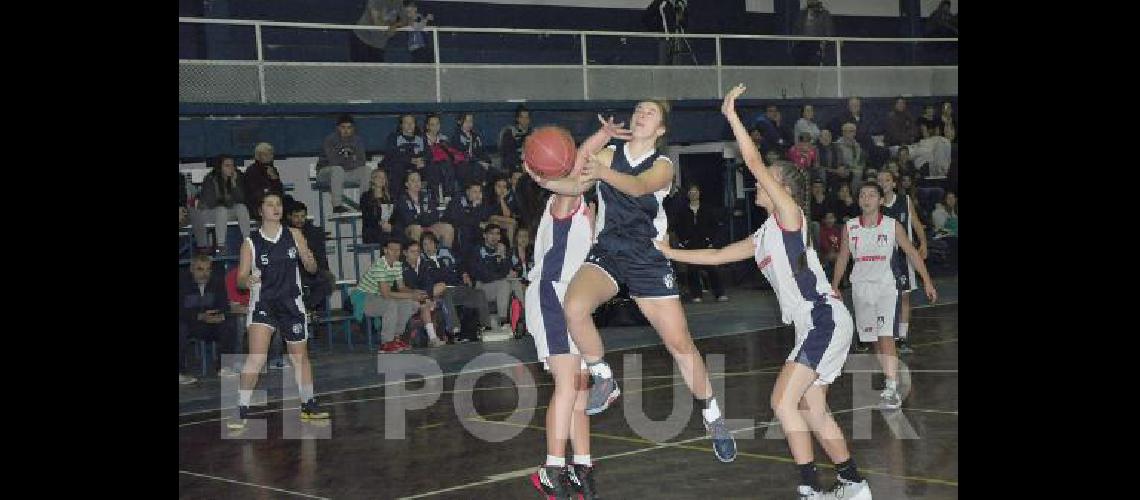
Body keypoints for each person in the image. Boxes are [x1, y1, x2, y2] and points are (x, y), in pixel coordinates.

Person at [652, 84, 870, 498]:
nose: (761, 181)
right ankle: (850, 484)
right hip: (815, 323)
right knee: (810, 406)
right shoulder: (764, 234)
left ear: (784, 187)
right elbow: (716, 255)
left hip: (822, 317)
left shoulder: (790, 215)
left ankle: (817, 488)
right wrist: (668, 253)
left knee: (783, 402)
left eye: (770, 177)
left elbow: (751, 161)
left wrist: (731, 116)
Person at [528, 106, 738, 463]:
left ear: (660, 129)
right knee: (574, 308)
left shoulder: (663, 165)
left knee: (679, 343)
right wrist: (544, 180)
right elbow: (577, 185)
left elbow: (639, 186)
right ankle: (604, 377)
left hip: (645, 256)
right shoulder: (610, 154)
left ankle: (713, 415)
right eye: (639, 109)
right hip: (609, 250)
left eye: (650, 112)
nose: (642, 113)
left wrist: (603, 171)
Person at [829, 182, 937, 410]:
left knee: (886, 335)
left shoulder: (892, 226)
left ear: (880, 201)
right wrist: (835, 285)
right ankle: (891, 378)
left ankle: (891, 387)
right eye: (862, 195)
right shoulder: (850, 227)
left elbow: (912, 254)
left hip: (886, 287)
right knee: (874, 340)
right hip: (860, 286)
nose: (866, 198)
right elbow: (842, 257)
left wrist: (927, 281)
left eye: (871, 195)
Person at [229, 193, 329, 430]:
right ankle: (241, 408)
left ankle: (308, 404)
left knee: (299, 357)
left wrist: (308, 258)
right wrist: (248, 280)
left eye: (278, 204)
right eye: (270, 204)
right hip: (263, 303)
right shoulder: (251, 242)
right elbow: (240, 279)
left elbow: (312, 269)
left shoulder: (294, 235)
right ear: (260, 210)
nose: (275, 208)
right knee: (257, 357)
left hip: (291, 304)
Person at [525, 188, 600, 499]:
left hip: (576, 301)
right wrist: (602, 137)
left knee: (581, 387)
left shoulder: (591, 209)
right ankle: (552, 468)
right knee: (568, 384)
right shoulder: (565, 200)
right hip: (552, 294)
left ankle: (581, 466)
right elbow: (571, 170)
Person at [878, 170, 929, 354]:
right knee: (883, 299)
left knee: (905, 297)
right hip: (882, 257)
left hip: (903, 256)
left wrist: (923, 242)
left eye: (887, 179)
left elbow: (915, 223)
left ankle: (902, 339)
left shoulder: (905, 200)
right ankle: (877, 335)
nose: (883, 182)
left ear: (893, 183)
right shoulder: (875, 203)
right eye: (880, 180)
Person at [672, 184, 727, 302]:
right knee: (692, 270)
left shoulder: (707, 209)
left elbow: (715, 226)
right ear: (688, 195)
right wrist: (683, 241)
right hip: (691, 245)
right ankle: (696, 295)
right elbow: (677, 227)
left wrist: (711, 241)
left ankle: (719, 294)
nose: (694, 194)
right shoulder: (683, 211)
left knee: (712, 268)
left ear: (699, 193)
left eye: (695, 191)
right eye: (691, 192)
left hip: (705, 244)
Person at [194, 155, 251, 255]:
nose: (231, 168)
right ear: (220, 167)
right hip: (209, 213)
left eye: (232, 165)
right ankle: (221, 246)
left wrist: (233, 185)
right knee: (221, 209)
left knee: (241, 208)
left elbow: (242, 199)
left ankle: (248, 242)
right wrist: (225, 198)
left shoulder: (238, 176)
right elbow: (210, 202)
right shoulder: (211, 178)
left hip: (227, 213)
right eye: (227, 166)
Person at [319, 114, 371, 214]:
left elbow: (362, 161)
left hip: (346, 172)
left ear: (353, 128)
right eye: (343, 127)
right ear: (338, 128)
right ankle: (337, 205)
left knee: (366, 170)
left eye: (349, 128)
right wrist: (352, 161)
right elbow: (332, 161)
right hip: (326, 172)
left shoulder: (358, 140)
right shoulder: (330, 140)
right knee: (337, 169)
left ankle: (364, 203)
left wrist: (347, 162)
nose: (346, 130)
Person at [360, 168, 398, 245]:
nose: (382, 179)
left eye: (384, 177)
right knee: (386, 238)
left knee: (400, 234)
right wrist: (380, 223)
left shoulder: (389, 197)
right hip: (372, 230)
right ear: (373, 179)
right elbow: (367, 216)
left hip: (387, 228)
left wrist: (391, 226)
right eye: (379, 177)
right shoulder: (366, 196)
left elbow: (394, 216)